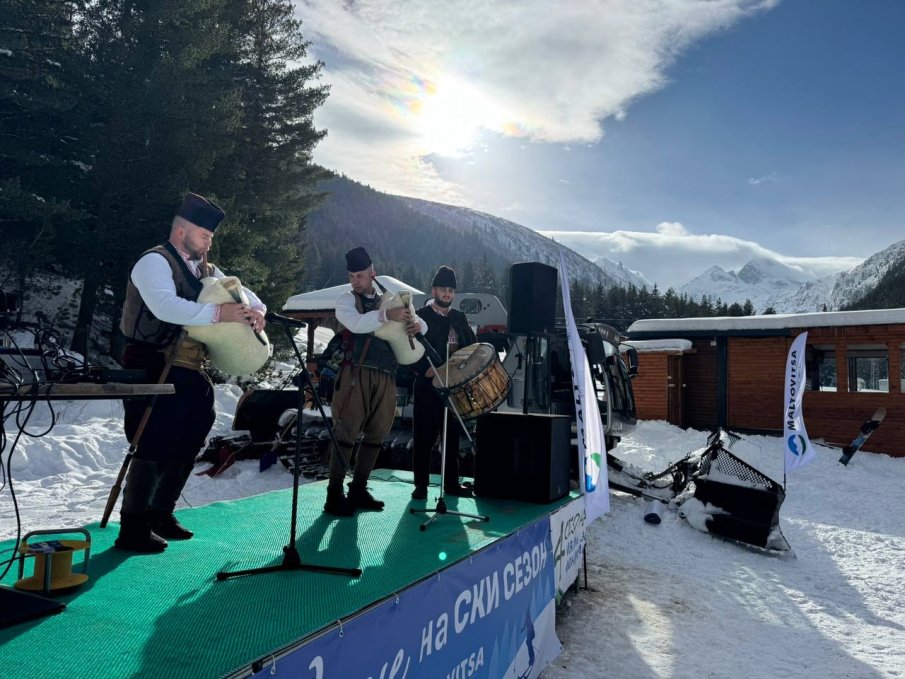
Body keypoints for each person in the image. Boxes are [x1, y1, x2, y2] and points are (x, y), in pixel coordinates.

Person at [116, 192, 266, 552]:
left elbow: (249, 296)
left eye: (211, 237)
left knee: (193, 435)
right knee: (151, 441)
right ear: (182, 230)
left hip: (188, 368)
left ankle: (160, 512)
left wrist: (256, 312)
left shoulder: (208, 272)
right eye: (204, 235)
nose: (209, 241)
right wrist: (221, 314)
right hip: (150, 363)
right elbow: (165, 306)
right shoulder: (154, 262)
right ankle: (132, 527)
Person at [325, 247, 426, 516]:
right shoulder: (346, 300)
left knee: (377, 434)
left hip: (385, 375)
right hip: (354, 374)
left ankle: (358, 488)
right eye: (352, 276)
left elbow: (421, 322)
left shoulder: (389, 300)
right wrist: (385, 316)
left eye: (360, 275)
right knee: (346, 432)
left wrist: (417, 325)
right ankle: (334, 494)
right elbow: (356, 324)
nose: (355, 281)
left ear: (372, 273)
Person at [411, 266, 477, 500]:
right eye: (443, 289)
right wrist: (423, 370)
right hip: (428, 386)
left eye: (450, 290)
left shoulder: (459, 318)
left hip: (452, 387)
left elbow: (471, 346)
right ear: (434, 290)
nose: (447, 294)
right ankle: (420, 486)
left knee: (451, 438)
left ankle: (451, 484)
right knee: (424, 437)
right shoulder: (420, 316)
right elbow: (409, 349)